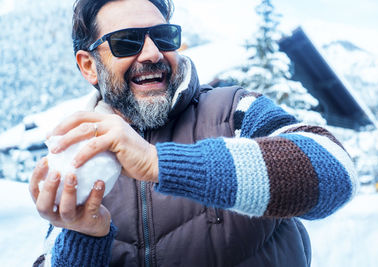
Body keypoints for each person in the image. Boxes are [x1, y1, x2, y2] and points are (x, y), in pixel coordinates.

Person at [29, 0, 358, 266]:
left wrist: (160, 163)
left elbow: (336, 172)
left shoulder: (234, 109)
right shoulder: (78, 157)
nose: (152, 53)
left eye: (163, 36)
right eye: (126, 41)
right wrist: (85, 236)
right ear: (88, 66)